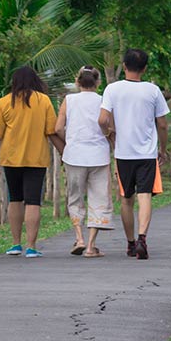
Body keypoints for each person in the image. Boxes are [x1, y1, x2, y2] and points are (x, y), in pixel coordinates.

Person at [0, 66, 64, 258]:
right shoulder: (44, 102)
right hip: (37, 159)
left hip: (11, 159)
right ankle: (31, 246)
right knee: (33, 202)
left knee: (15, 199)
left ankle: (16, 244)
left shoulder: (4, 102)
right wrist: (65, 154)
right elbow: (52, 132)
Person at [98, 48, 169, 260]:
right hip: (147, 154)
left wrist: (109, 133)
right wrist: (163, 150)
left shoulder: (112, 89)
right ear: (144, 68)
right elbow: (163, 125)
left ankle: (130, 244)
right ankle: (142, 239)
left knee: (126, 199)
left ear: (125, 66)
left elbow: (102, 119)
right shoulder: (153, 91)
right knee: (145, 195)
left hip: (123, 153)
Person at [55, 65, 113, 258]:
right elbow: (109, 125)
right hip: (98, 156)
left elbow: (57, 129)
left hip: (74, 155)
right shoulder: (103, 100)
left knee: (75, 198)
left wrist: (70, 141)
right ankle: (90, 246)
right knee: (98, 198)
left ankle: (79, 238)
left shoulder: (69, 100)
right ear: (98, 82)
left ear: (77, 82)